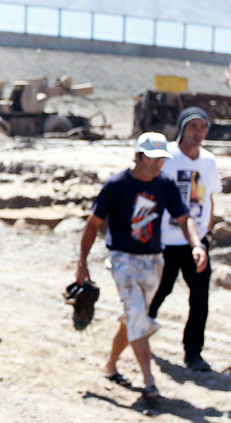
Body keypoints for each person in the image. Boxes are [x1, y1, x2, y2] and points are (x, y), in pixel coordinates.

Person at [75, 132, 207, 401]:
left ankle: (110, 364)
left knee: (133, 318)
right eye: (153, 158)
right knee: (137, 315)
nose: (159, 164)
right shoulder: (116, 185)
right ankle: (149, 381)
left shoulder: (165, 184)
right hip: (122, 259)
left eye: (162, 159)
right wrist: (82, 264)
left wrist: (196, 244)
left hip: (154, 261)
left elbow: (184, 218)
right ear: (137, 156)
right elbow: (93, 224)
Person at [148, 107, 222, 372]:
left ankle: (193, 353)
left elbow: (210, 199)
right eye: (193, 126)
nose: (198, 132)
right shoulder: (166, 156)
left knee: (200, 297)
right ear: (182, 128)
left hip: (196, 242)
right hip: (166, 240)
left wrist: (207, 234)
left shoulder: (209, 162)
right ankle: (139, 332)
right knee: (160, 290)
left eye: (203, 127)